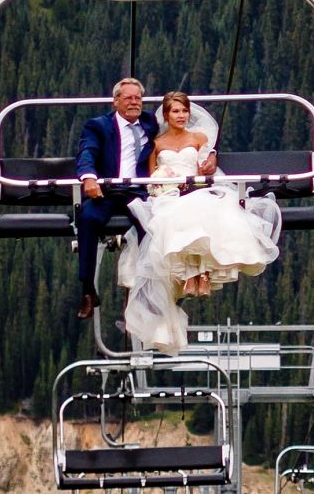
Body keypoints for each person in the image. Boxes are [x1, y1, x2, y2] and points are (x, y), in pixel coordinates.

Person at [116, 86, 283, 353]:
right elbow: (150, 178)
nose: (181, 116)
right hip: (169, 193)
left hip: (197, 189)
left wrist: (210, 162)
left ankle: (202, 275)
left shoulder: (199, 138)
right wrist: (161, 185)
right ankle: (188, 277)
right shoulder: (157, 145)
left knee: (205, 211)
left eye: (185, 111)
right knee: (173, 217)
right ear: (167, 115)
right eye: (176, 111)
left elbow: (207, 165)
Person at [69, 76, 155, 320]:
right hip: (106, 191)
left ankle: (148, 289)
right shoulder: (99, 126)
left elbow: (183, 125)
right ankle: (88, 290)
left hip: (137, 191)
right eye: (128, 98)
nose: (134, 103)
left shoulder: (150, 122)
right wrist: (89, 177)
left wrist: (209, 152)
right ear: (115, 101)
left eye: (138, 98)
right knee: (87, 219)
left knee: (151, 225)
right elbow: (87, 152)